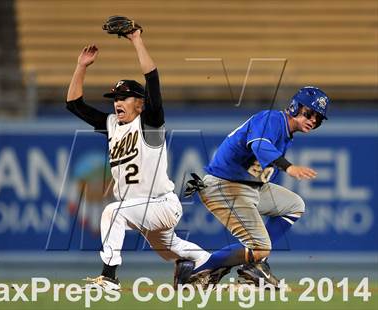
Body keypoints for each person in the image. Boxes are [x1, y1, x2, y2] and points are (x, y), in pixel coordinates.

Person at [66, 29, 210, 291]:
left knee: (112, 212)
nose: (117, 102)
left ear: (140, 104)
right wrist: (80, 67)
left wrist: (136, 40)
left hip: (161, 204)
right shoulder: (112, 125)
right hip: (142, 209)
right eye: (114, 99)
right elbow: (74, 105)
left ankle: (109, 277)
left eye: (123, 98)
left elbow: (152, 80)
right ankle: (210, 263)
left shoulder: (150, 123)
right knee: (172, 251)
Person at [183, 87, 330, 288]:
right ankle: (197, 268)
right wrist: (289, 167)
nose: (313, 120)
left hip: (246, 187)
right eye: (309, 113)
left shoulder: (284, 133)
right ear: (294, 107)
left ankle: (255, 262)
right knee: (260, 247)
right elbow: (259, 145)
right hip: (223, 185)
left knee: (294, 205)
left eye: (318, 118)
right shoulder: (272, 119)